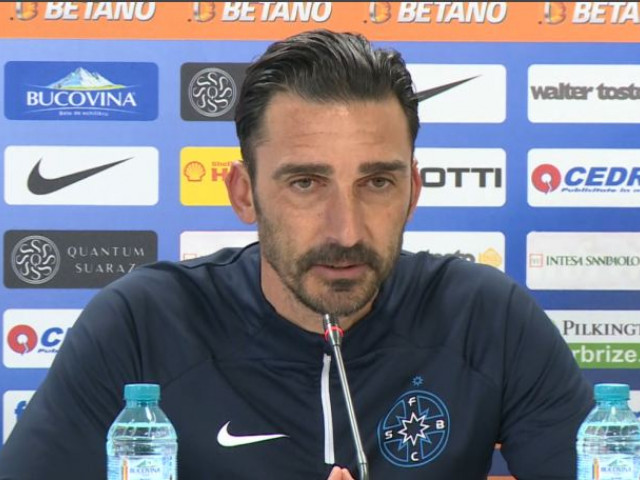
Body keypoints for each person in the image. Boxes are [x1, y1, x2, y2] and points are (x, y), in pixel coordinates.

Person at [0, 30, 592, 479]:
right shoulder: (142, 325)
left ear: (412, 191)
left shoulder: (486, 318)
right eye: (306, 183)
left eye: (377, 182)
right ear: (244, 194)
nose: (346, 230)